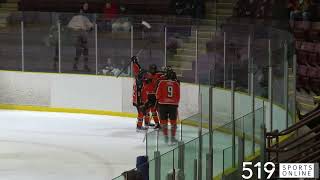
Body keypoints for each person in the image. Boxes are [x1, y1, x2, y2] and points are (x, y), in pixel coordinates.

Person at [156, 68, 180, 144]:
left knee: (163, 122)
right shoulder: (176, 84)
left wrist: (159, 99)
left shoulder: (162, 82)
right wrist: (175, 103)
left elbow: (157, 95)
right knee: (173, 122)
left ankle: (166, 137)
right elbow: (178, 96)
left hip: (162, 105)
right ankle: (172, 137)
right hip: (173, 105)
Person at [142, 64, 165, 129]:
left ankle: (159, 123)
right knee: (149, 110)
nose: (153, 70)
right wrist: (145, 80)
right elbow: (143, 81)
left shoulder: (158, 74)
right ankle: (150, 122)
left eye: (154, 69)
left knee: (156, 111)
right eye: (152, 69)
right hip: (149, 95)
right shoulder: (147, 75)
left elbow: (163, 75)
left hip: (155, 95)